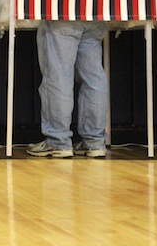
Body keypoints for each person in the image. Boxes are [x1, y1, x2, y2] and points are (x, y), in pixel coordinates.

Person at [27, 20, 109, 158]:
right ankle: (94, 142)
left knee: (58, 76)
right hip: (96, 11)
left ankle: (57, 141)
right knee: (93, 78)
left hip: (62, 13)